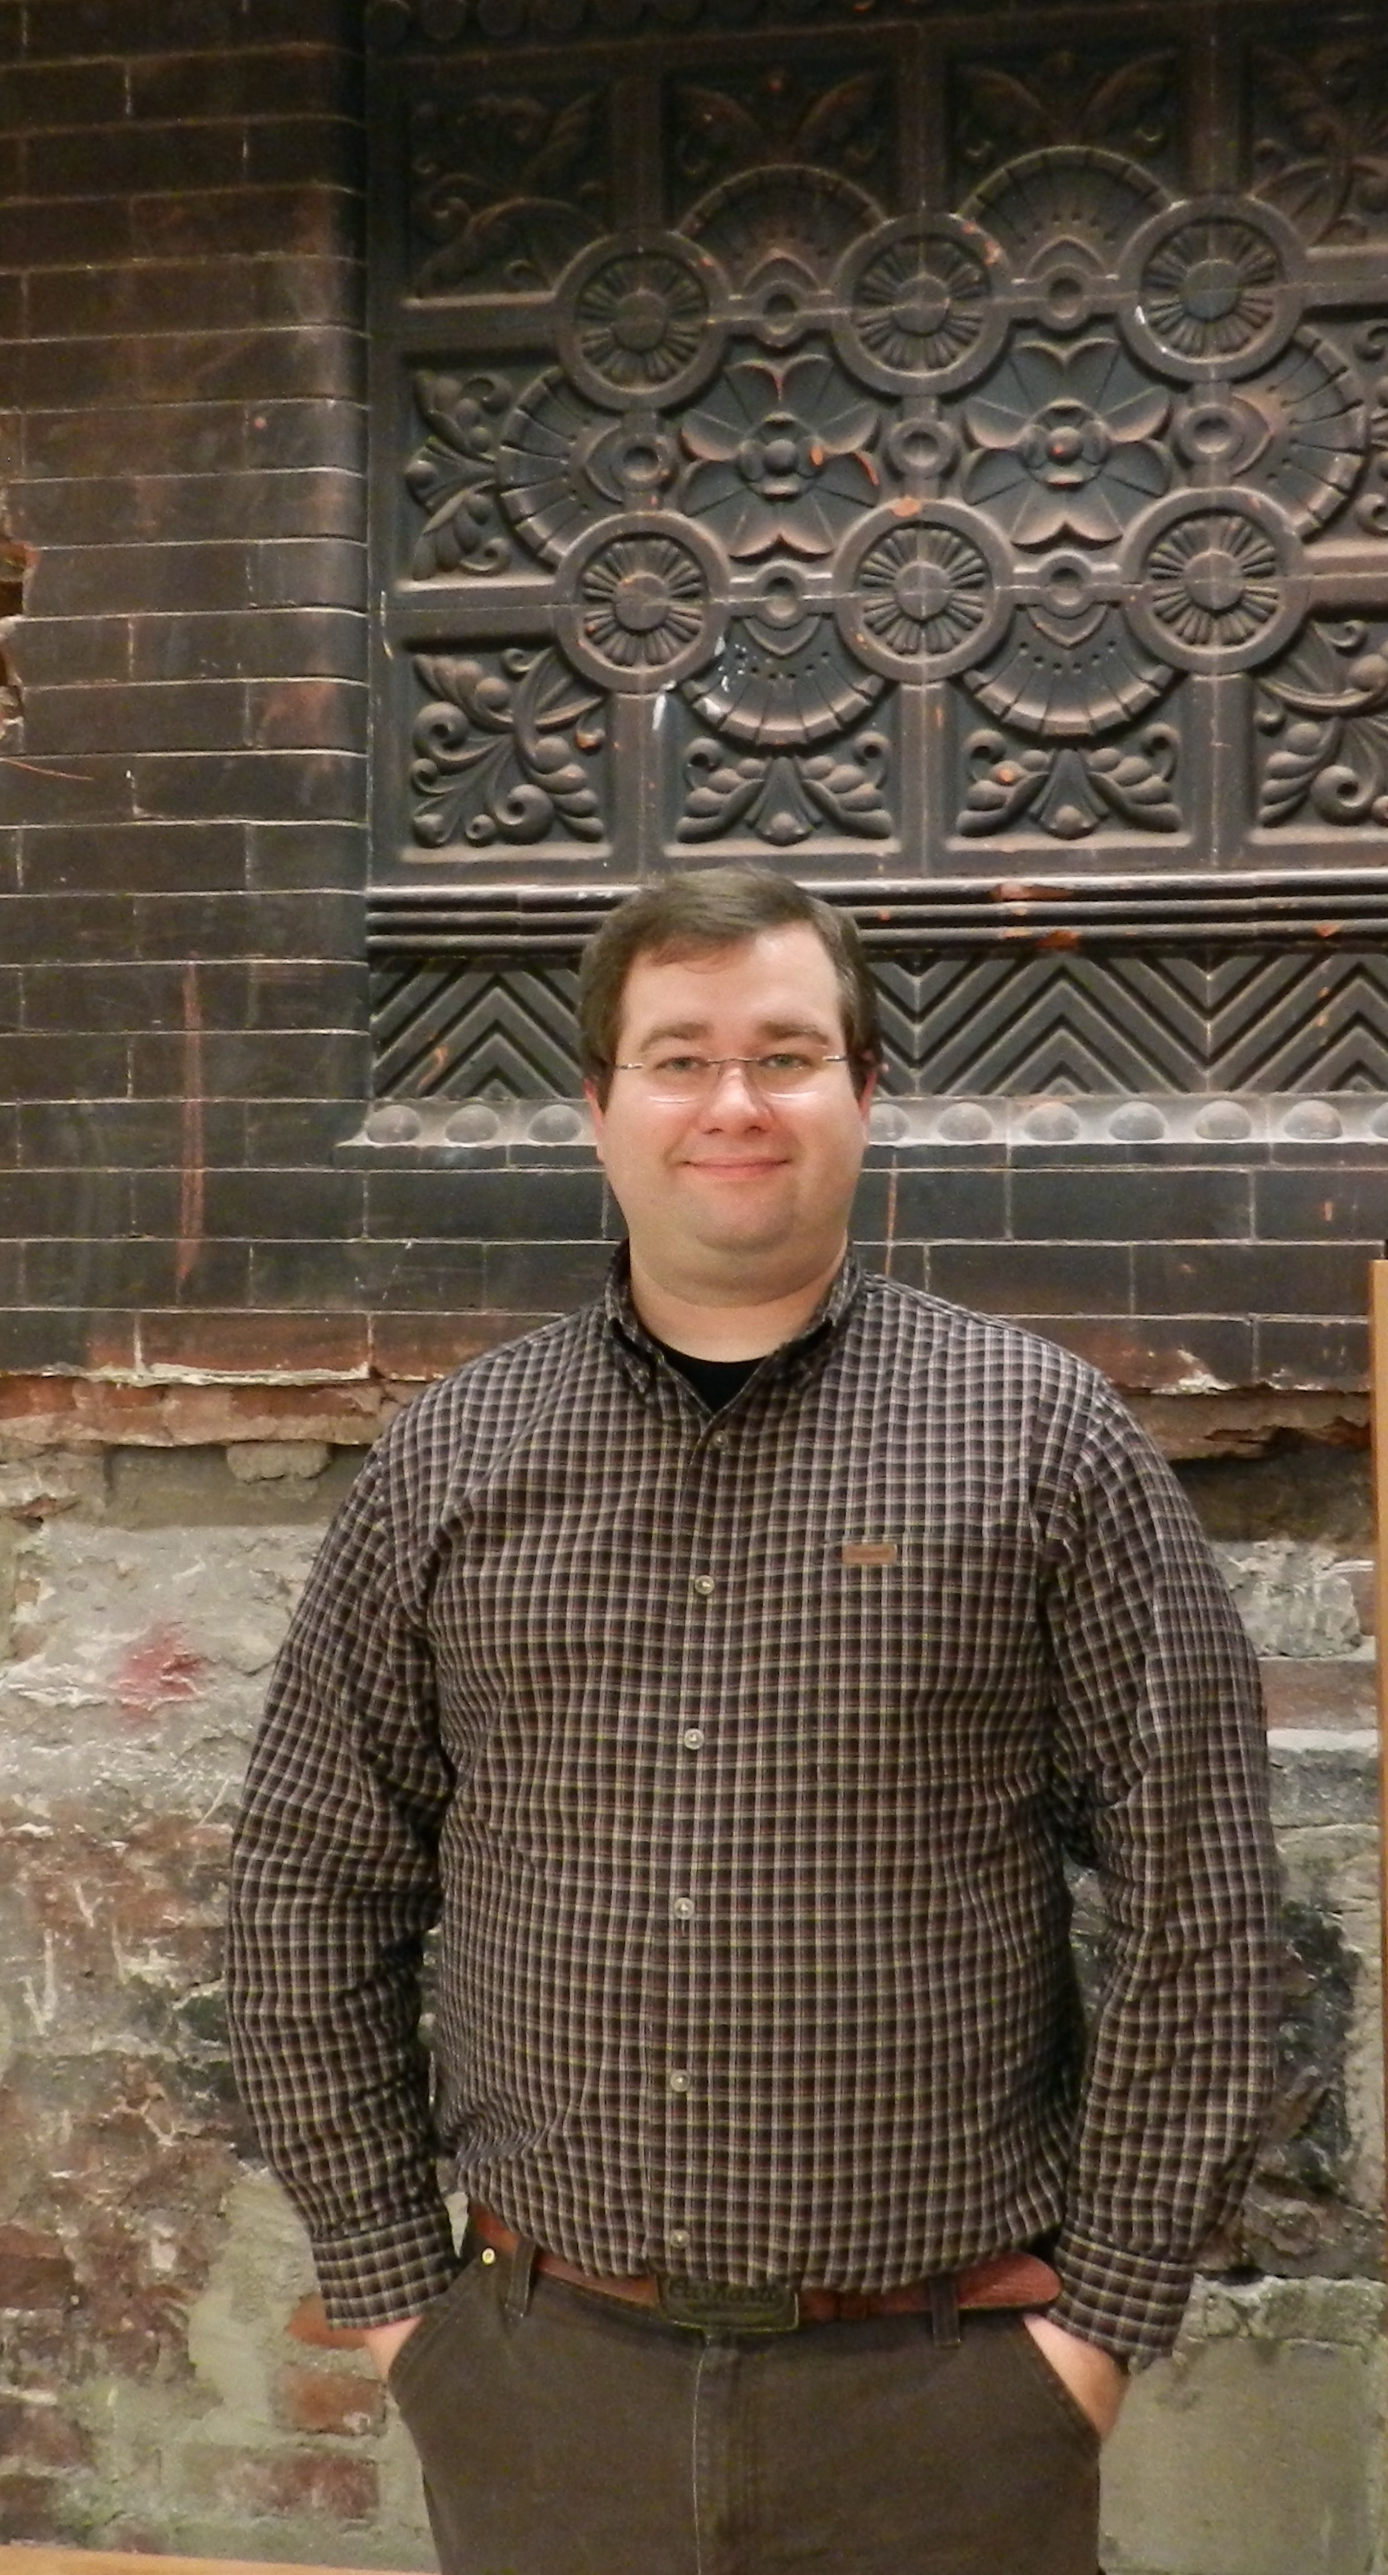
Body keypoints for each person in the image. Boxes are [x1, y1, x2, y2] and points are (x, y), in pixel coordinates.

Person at [227, 867, 1284, 2575]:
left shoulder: (1043, 1443)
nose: (734, 1104)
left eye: (785, 1056)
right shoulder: (451, 1461)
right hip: (541, 2384)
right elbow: (308, 1886)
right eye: (680, 1059)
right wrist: (401, 2307)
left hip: (946, 2400)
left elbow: (1203, 1899)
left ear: (864, 1093)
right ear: (600, 1106)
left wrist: (1094, 2333)